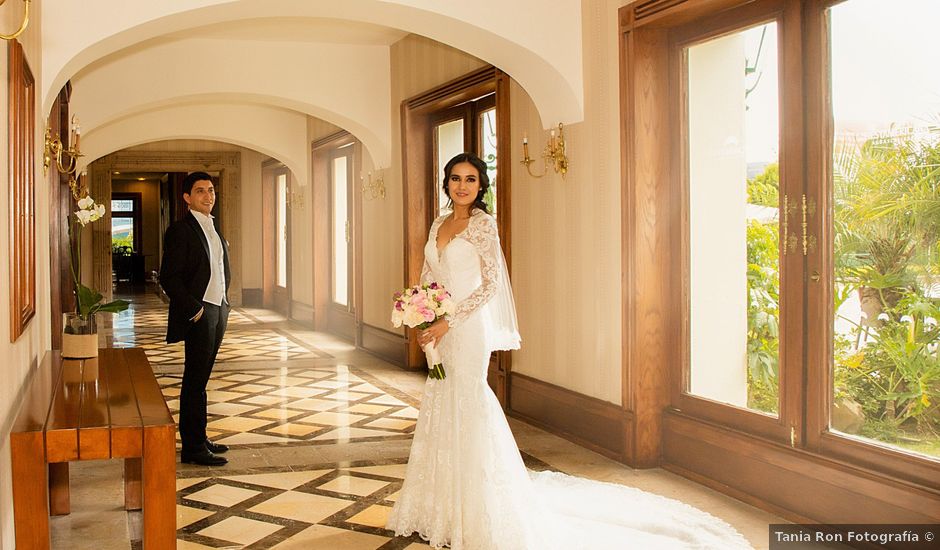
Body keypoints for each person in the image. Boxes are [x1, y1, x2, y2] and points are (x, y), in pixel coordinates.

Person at [386, 153, 753, 549]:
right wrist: (424, 316)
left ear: (481, 186)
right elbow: (429, 275)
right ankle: (439, 502)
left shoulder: (483, 225)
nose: (462, 186)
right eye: (456, 178)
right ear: (446, 183)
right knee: (441, 398)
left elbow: (491, 285)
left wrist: (448, 320)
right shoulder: (440, 222)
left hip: (468, 329)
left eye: (470, 180)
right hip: (439, 329)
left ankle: (481, 503)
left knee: (468, 399)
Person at [160, 172, 231, 466]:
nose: (208, 196)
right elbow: (169, 277)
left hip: (219, 308)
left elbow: (219, 268)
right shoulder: (181, 230)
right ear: (187, 197)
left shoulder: (214, 227)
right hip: (201, 311)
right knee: (194, 380)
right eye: (200, 191)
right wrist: (194, 308)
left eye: (211, 190)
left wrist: (225, 303)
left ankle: (199, 437)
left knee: (202, 379)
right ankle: (192, 447)